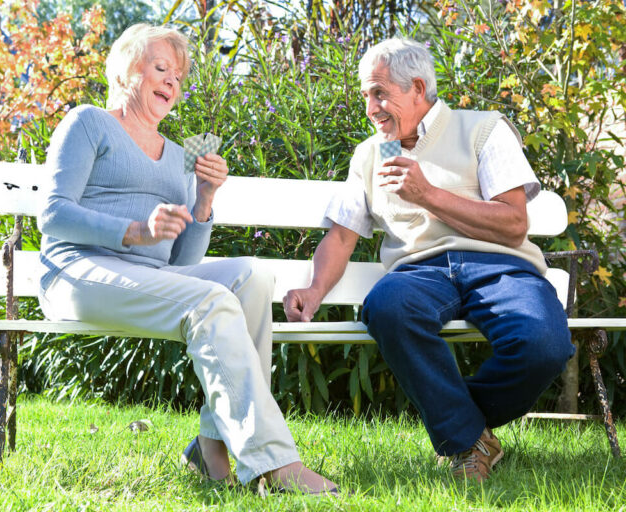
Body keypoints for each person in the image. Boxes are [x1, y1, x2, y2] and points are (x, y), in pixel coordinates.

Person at [37, 24, 337, 495]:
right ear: (127, 72)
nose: (171, 83)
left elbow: (181, 261)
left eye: (178, 76)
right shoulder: (89, 122)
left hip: (148, 277)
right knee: (209, 303)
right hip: (80, 274)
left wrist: (204, 201)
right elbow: (52, 215)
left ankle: (211, 448)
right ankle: (274, 463)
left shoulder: (179, 157)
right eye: (161, 69)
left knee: (253, 277)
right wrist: (134, 231)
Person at [284, 38, 575, 482]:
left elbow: (514, 223)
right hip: (420, 273)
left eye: (379, 93)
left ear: (418, 87)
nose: (370, 108)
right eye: (366, 95)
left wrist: (428, 195)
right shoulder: (370, 154)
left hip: (500, 266)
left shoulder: (482, 130)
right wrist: (314, 289)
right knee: (387, 307)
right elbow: (343, 235)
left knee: (544, 346)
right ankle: (469, 439)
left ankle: (461, 429)